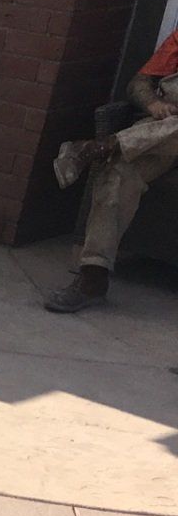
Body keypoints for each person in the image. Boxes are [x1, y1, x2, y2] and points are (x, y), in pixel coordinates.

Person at [45, 26, 178, 313]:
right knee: (116, 172)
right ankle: (93, 277)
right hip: (161, 133)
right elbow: (139, 83)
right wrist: (153, 103)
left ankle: (101, 146)